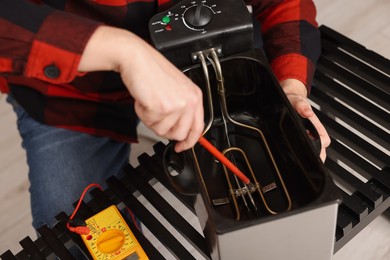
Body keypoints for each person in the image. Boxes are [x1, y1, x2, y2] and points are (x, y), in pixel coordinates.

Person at [0, 0, 330, 245]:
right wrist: (124, 51)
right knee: (75, 243)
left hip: (213, 52)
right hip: (74, 89)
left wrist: (291, 87)